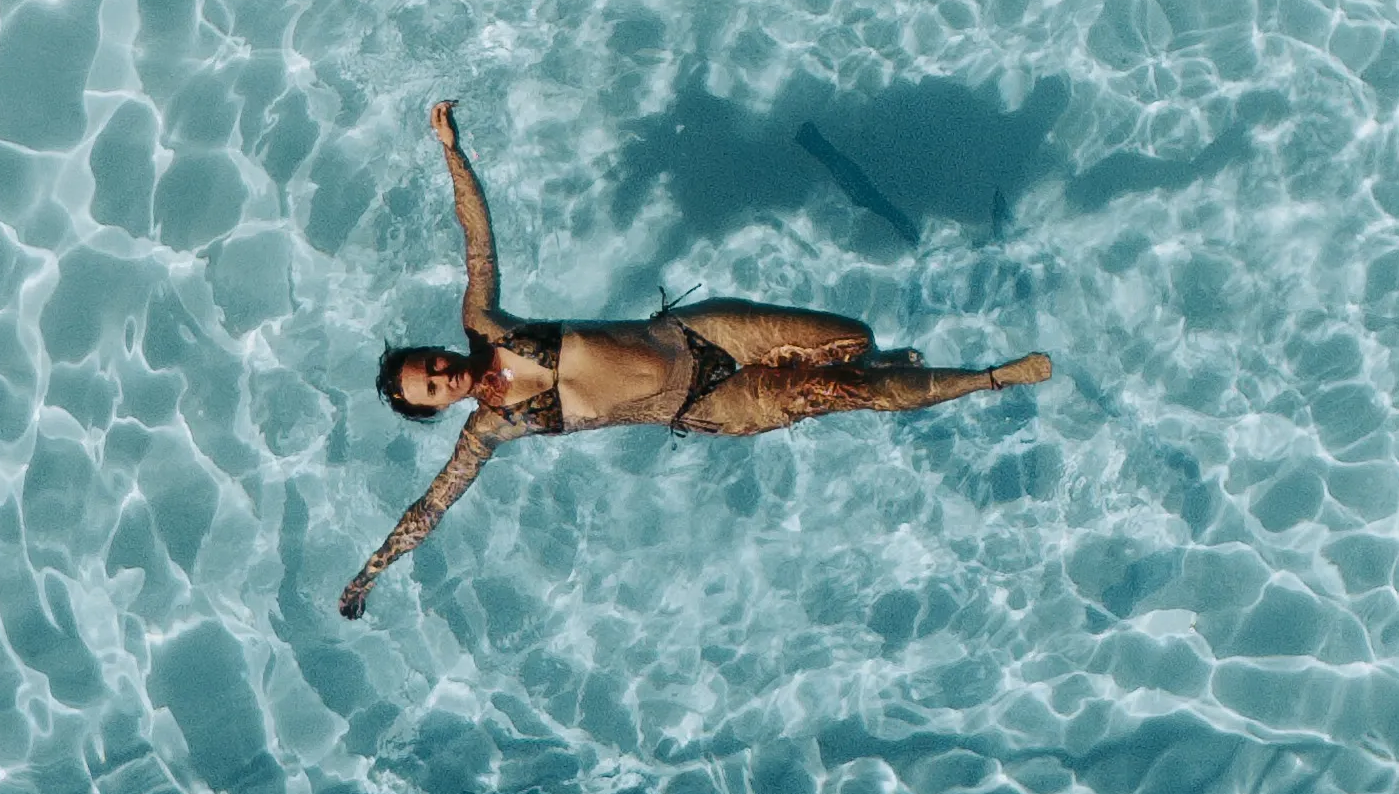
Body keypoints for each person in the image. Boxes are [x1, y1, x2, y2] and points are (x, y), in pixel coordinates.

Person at [341, 99, 1052, 616]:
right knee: (855, 393)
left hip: (705, 333)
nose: (441, 376)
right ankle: (991, 375)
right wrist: (372, 571)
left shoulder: (486, 322)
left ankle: (893, 361)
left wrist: (450, 151)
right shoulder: (490, 430)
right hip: (708, 405)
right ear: (438, 409)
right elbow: (430, 507)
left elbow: (477, 237)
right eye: (432, 390)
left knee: (853, 341)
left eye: (430, 365)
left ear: (438, 349)